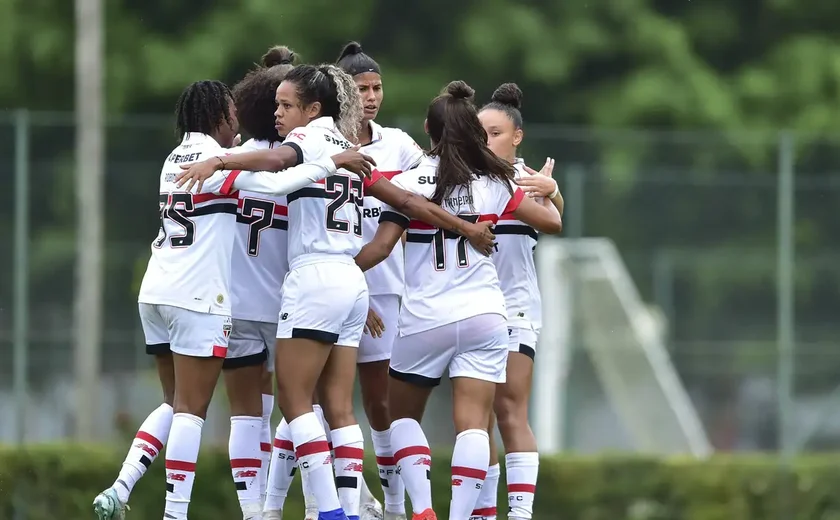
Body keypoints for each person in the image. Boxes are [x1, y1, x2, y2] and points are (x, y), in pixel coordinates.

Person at [175, 65, 497, 520]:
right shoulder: (349, 148)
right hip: (352, 280)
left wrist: (220, 161)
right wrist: (466, 228)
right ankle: (348, 506)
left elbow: (276, 161)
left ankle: (327, 511)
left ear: (313, 108)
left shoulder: (308, 141)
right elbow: (406, 202)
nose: (278, 114)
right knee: (342, 409)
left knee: (294, 400)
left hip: (314, 278)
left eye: (286, 105)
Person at [93, 78, 374, 520]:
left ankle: (123, 484)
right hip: (205, 297)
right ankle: (180, 513)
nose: (237, 120)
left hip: (157, 290)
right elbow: (280, 184)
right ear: (220, 118)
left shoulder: (174, 158)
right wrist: (332, 162)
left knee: (177, 401)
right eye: (231, 114)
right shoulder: (224, 163)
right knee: (198, 409)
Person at [353, 81, 562, 520]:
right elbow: (550, 220)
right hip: (485, 315)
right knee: (474, 422)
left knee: (402, 418)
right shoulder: (495, 182)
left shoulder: (407, 181)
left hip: (424, 318)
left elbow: (380, 249)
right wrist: (550, 187)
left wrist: (338, 275)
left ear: (428, 129)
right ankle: (463, 514)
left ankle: (423, 508)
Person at [336, 41, 424, 520]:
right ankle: (343, 502)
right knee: (321, 402)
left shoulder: (400, 147)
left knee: (379, 403)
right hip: (329, 288)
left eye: (377, 88)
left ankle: (392, 506)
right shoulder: (322, 145)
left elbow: (432, 190)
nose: (371, 97)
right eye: (361, 89)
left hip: (386, 290)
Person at [470, 83, 564, 520]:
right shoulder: (464, 178)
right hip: (469, 308)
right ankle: (484, 511)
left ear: (516, 136)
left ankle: (521, 513)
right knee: (477, 415)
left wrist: (554, 190)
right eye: (480, 133)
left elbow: (555, 220)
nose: (486, 141)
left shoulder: (526, 180)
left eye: (494, 133)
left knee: (510, 407)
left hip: (516, 307)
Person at [223, 45, 298, 519]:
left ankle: (252, 511)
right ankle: (275, 505)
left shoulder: (231, 160)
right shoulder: (305, 163)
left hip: (236, 302)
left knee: (247, 414)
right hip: (289, 306)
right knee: (300, 411)